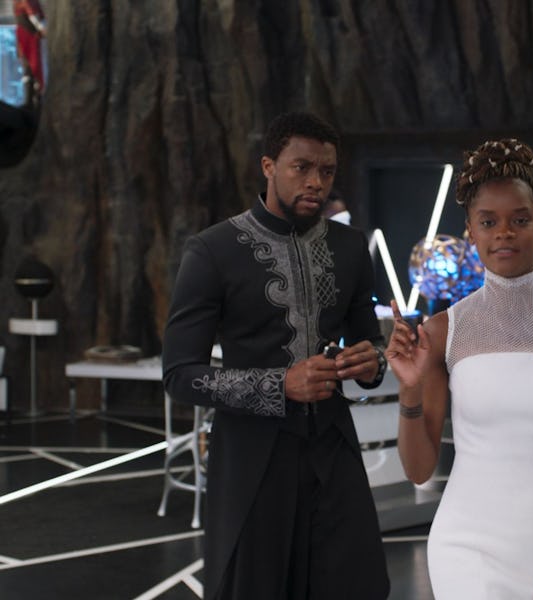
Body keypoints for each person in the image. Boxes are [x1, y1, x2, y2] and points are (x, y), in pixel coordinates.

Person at [163, 111, 390, 600]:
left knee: (357, 585)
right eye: (301, 168)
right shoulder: (212, 250)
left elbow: (370, 341)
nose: (316, 183)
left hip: (333, 449)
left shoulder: (351, 247)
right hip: (251, 459)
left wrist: (373, 362)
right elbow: (179, 374)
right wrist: (278, 384)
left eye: (326, 171)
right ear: (268, 166)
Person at [387, 139, 533, 599]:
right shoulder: (444, 331)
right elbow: (419, 470)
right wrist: (409, 392)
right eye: (488, 222)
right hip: (464, 544)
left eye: (519, 220)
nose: (504, 233)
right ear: (471, 234)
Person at [13, 0, 46, 107]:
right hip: (27, 36)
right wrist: (41, 29)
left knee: (31, 67)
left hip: (30, 36)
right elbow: (32, 15)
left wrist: (41, 29)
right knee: (31, 67)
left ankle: (34, 98)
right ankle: (31, 99)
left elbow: (37, 15)